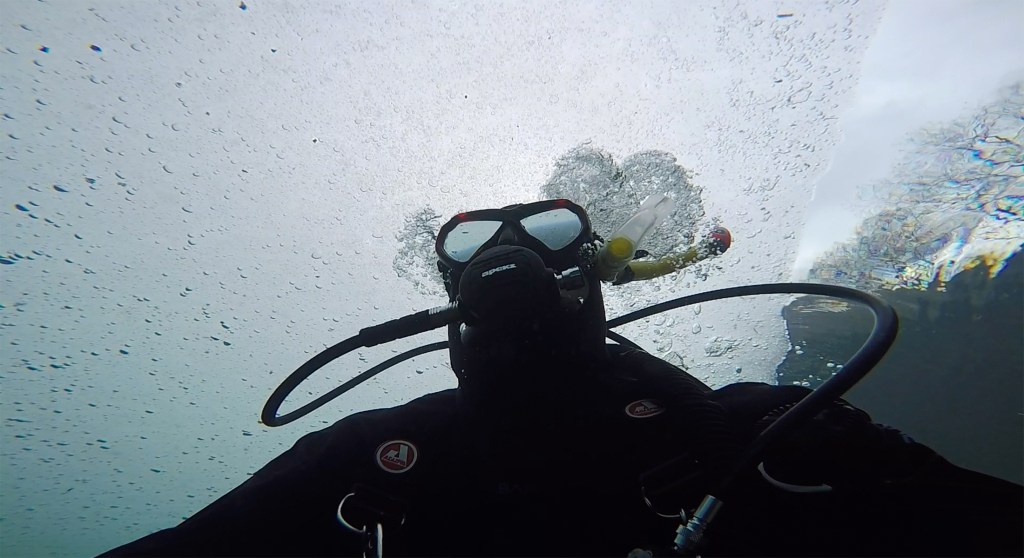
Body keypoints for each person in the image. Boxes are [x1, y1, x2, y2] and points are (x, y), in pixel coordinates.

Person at [102, 199, 1022, 557]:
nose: (511, 255)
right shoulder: (368, 457)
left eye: (543, 237)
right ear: (453, 297)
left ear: (591, 280)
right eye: (480, 245)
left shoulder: (754, 434)